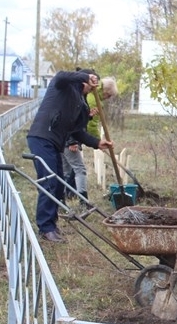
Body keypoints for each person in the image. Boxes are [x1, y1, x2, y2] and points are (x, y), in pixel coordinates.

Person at [26, 69, 115, 243]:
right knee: (49, 182)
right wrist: (85, 76)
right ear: (85, 82)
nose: (90, 92)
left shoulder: (80, 104)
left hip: (54, 144)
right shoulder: (63, 86)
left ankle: (51, 224)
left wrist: (97, 143)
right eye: (90, 87)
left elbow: (77, 132)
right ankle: (46, 228)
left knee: (58, 185)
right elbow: (60, 75)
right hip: (41, 137)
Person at [62, 75, 119, 206]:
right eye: (108, 96)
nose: (108, 98)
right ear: (105, 91)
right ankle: (83, 201)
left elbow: (83, 120)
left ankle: (63, 199)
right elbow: (73, 120)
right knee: (79, 169)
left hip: (67, 138)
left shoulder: (91, 97)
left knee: (66, 171)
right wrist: (96, 142)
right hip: (70, 139)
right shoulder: (92, 99)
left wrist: (89, 118)